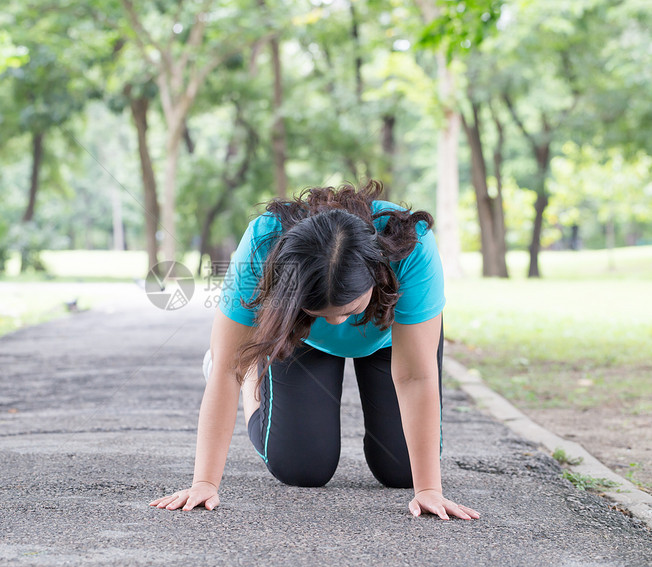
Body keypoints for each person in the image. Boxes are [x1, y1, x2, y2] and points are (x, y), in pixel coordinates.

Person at [150, 182, 479, 521]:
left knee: (402, 471)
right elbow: (225, 367)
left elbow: (414, 376)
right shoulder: (263, 243)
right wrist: (204, 482)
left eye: (348, 310)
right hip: (299, 335)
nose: (336, 322)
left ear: (377, 271)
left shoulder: (412, 245)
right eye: (323, 311)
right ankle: (257, 374)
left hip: (390, 341)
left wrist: (428, 490)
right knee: (300, 467)